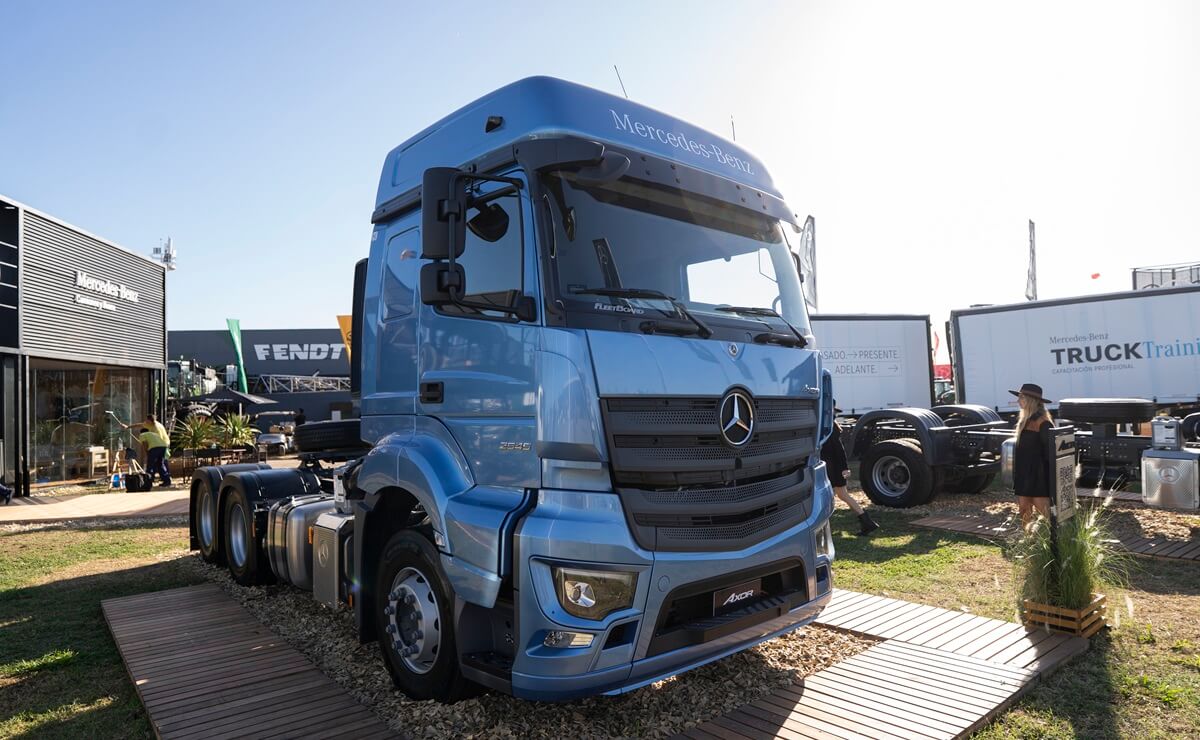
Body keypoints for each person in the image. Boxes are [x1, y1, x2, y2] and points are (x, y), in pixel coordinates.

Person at [822, 407, 879, 536]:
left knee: (831, 496)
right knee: (842, 495)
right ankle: (867, 522)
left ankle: (825, 527)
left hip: (832, 467)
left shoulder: (829, 429)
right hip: (833, 466)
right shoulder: (830, 427)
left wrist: (844, 468)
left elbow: (839, 450)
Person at [1010, 383, 1054, 526]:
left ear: (1030, 400)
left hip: (1039, 475)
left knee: (1044, 513)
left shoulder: (1043, 423)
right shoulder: (1024, 420)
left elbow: (1050, 452)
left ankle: (1051, 538)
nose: (1018, 400)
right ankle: (1027, 537)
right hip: (1024, 473)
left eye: (1021, 397)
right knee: (1024, 509)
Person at [118, 413, 172, 488]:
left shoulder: (153, 430)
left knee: (151, 465)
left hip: (161, 444)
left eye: (147, 420)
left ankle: (148, 482)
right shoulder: (150, 425)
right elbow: (139, 425)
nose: (145, 422)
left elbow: (145, 444)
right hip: (162, 445)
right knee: (161, 464)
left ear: (150, 421)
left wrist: (147, 453)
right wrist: (128, 427)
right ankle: (166, 481)